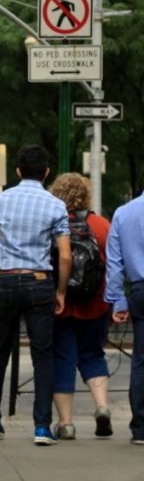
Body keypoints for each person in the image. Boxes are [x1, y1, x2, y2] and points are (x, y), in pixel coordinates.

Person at [0, 145, 70, 446]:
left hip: (4, 280)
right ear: (46, 172)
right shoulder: (55, 205)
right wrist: (60, 291)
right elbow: (65, 255)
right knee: (42, 356)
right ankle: (42, 427)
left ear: (18, 171)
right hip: (39, 282)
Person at [49, 173, 113, 439]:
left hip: (61, 305)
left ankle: (66, 423)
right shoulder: (101, 225)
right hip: (95, 303)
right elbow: (112, 264)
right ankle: (102, 406)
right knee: (93, 354)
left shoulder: (53, 222)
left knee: (62, 358)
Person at [104, 186, 144, 446]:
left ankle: (141, 427)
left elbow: (114, 262)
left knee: (141, 360)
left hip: (140, 289)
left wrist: (118, 300)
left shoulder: (124, 213)